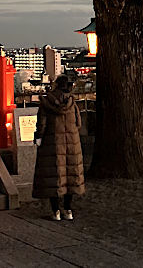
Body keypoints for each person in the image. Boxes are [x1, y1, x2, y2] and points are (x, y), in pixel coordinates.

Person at [32, 73, 85, 220]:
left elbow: (41, 125)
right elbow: (78, 123)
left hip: (52, 143)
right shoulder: (71, 102)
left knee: (53, 177)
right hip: (71, 143)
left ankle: (55, 211)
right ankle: (68, 210)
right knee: (70, 176)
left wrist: (38, 137)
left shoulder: (46, 102)